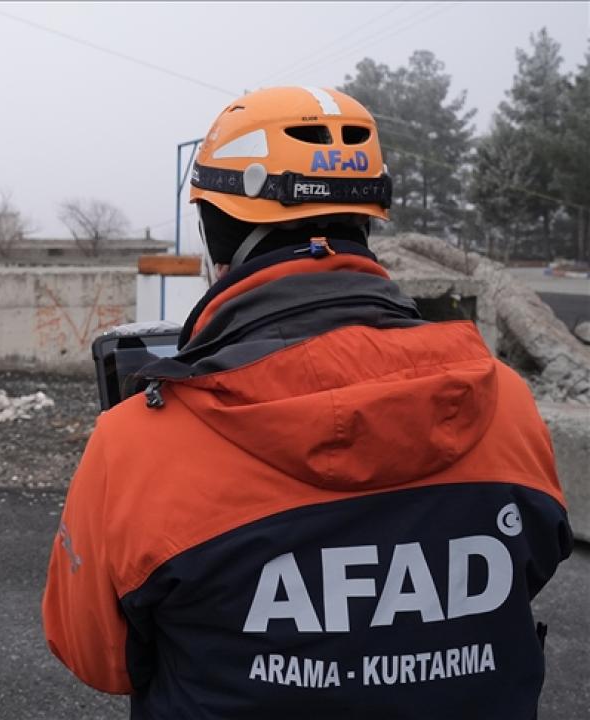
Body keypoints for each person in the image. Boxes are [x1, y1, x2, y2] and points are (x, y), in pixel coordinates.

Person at [42, 87, 571, 719]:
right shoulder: (505, 401)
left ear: (216, 230)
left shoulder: (139, 440)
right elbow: (530, 570)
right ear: (369, 219)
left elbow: (97, 656)